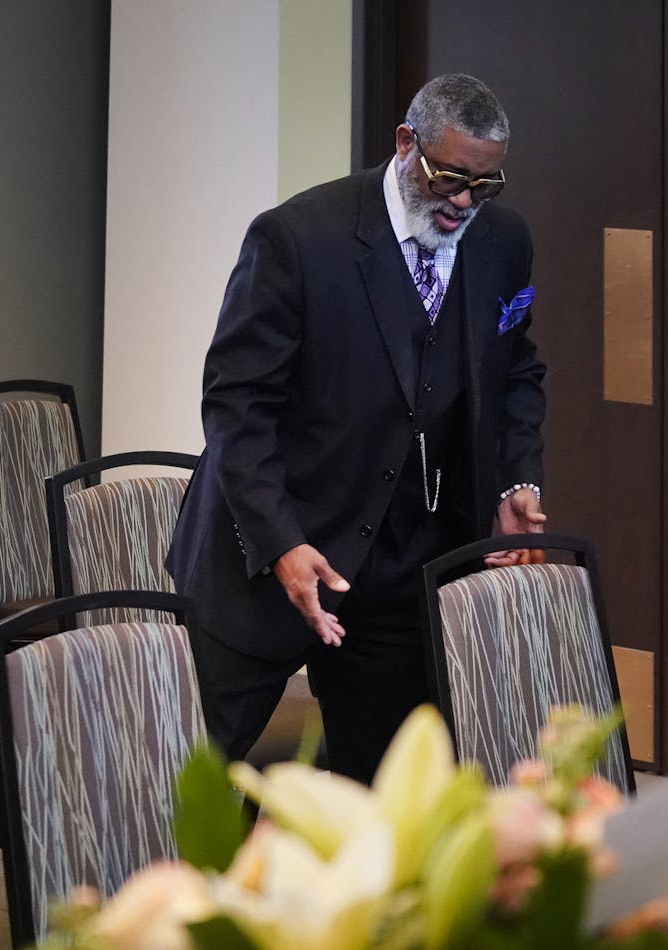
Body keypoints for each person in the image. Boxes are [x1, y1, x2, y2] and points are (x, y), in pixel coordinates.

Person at [167, 74, 548, 783]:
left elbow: (515, 367)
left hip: (403, 566)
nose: (464, 201)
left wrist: (517, 475)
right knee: (186, 781)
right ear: (406, 144)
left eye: (484, 185)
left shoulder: (503, 243)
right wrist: (283, 543)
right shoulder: (298, 238)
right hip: (271, 551)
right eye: (448, 178)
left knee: (385, 793)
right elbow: (236, 405)